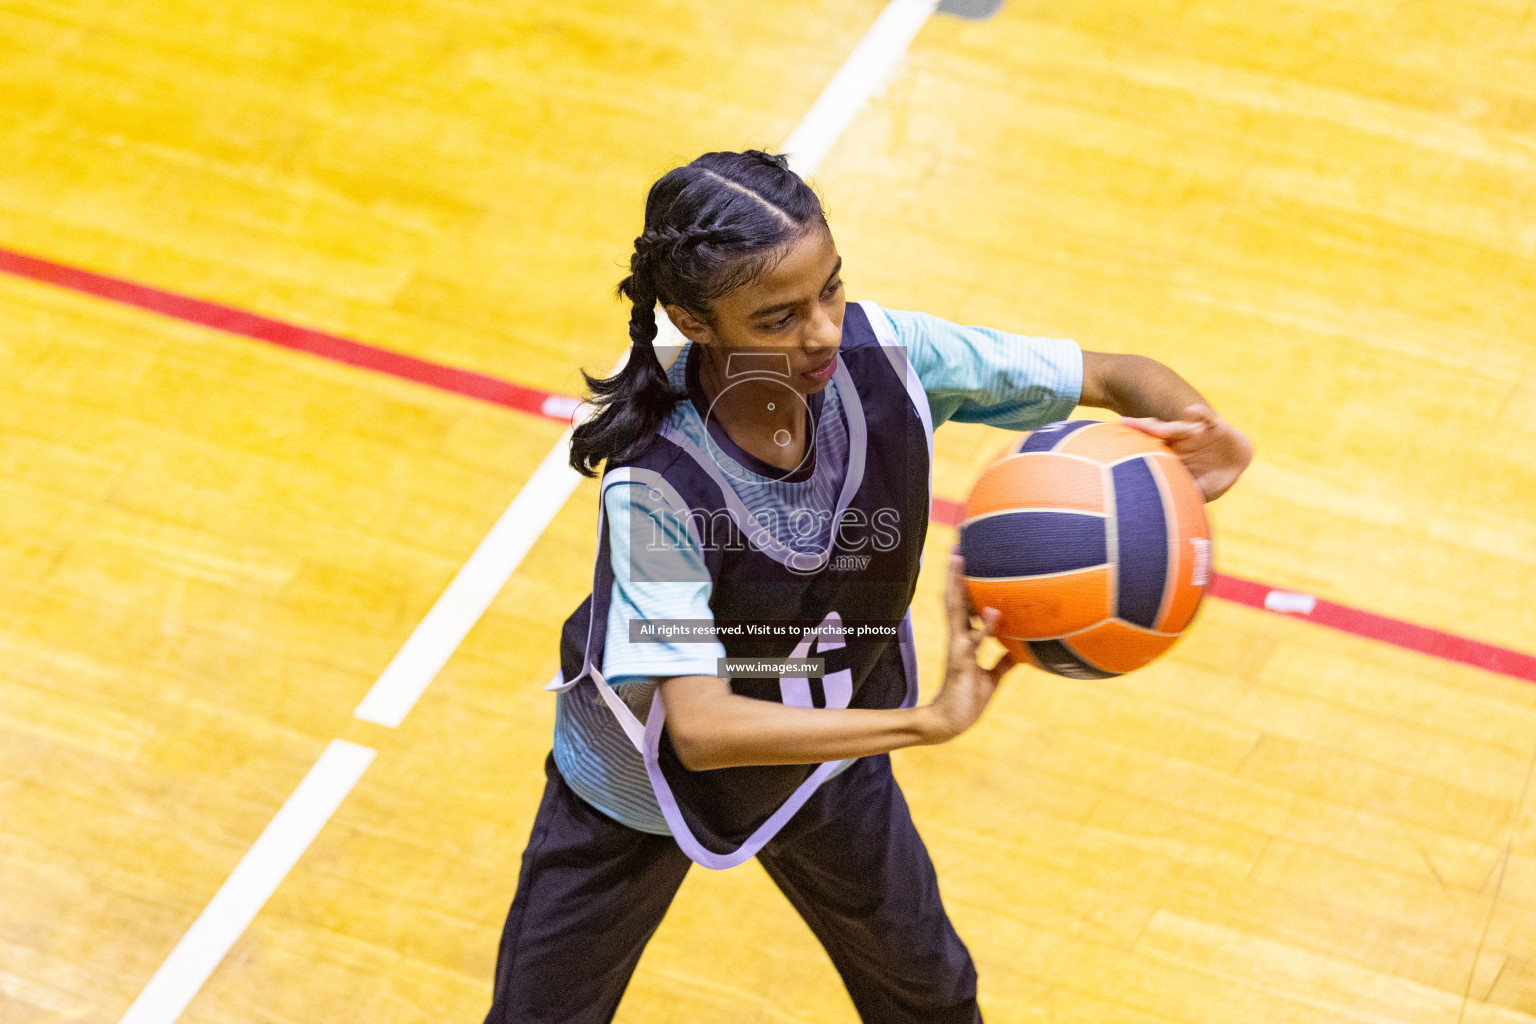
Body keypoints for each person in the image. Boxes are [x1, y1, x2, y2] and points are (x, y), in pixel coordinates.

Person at [484, 149, 1252, 1024]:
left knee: (929, 993)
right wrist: (928, 722)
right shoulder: (655, 484)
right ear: (694, 321)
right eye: (777, 317)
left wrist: (1194, 435)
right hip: (639, 779)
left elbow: (1114, 374)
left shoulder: (885, 350)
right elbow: (699, 730)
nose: (822, 333)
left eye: (832, 290)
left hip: (824, 735)